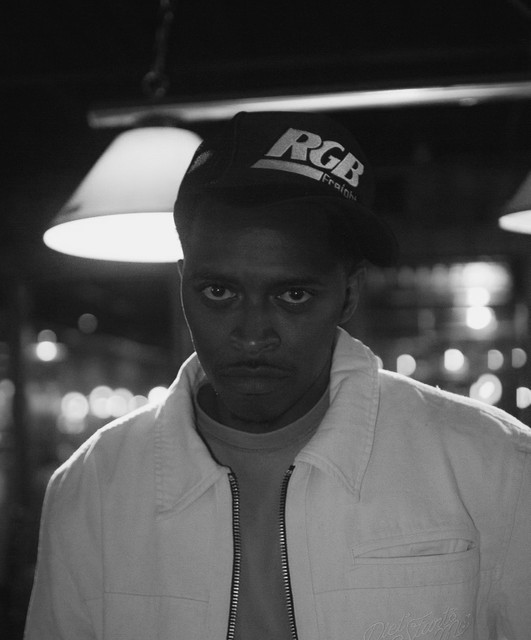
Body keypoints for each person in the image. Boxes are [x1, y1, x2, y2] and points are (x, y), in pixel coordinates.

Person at [25, 111, 531, 640]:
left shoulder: (495, 466)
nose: (251, 336)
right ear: (183, 285)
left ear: (349, 294)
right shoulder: (94, 486)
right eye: (218, 292)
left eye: (293, 295)